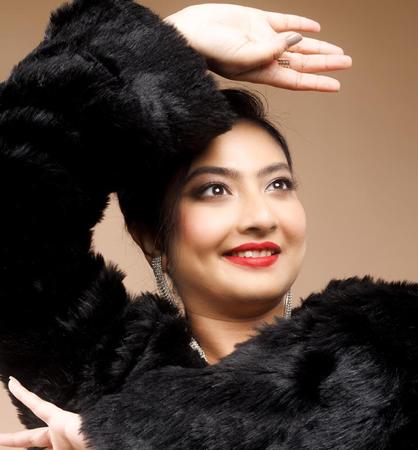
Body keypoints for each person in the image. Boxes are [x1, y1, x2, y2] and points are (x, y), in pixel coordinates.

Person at [1, 0, 417, 449]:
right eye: (214, 189)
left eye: (277, 184)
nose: (260, 217)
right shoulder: (100, 372)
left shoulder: (392, 348)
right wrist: (162, 46)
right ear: (149, 234)